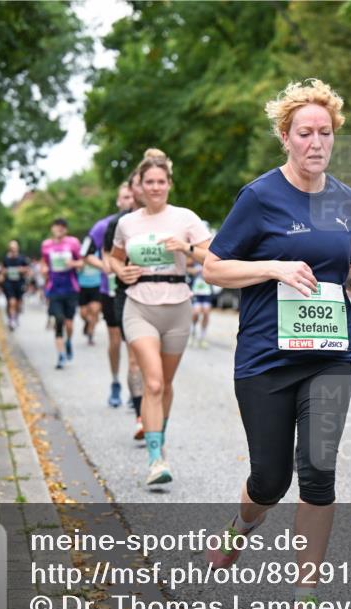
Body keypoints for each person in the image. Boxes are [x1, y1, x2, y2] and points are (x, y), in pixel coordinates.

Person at [203, 79, 351, 609]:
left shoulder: (348, 201)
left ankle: (306, 598)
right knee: (270, 479)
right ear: (286, 137)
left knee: (318, 471)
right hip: (265, 358)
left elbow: (346, 268)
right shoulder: (258, 198)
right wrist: (274, 267)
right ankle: (240, 526)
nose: (316, 142)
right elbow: (213, 268)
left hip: (329, 354)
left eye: (325, 133)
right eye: (305, 132)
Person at [109, 149, 212, 485]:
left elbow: (214, 256)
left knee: (165, 384)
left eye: (160, 181)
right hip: (139, 305)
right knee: (152, 382)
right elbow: (114, 258)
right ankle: (155, 460)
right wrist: (121, 273)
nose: (154, 187)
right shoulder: (127, 223)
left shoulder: (185, 218)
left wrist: (185, 249)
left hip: (178, 305)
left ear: (169, 183)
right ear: (139, 186)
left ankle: (159, 441)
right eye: (148, 182)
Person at [104, 170, 147, 437]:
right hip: (127, 293)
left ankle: (152, 407)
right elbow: (110, 259)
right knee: (134, 357)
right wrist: (120, 271)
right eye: (132, 190)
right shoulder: (118, 224)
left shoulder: (164, 219)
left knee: (155, 362)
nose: (135, 194)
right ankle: (141, 415)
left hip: (161, 295)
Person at [86, 181, 135, 407]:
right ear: (118, 201)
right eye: (124, 197)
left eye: (131, 197)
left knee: (135, 344)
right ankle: (115, 381)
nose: (128, 201)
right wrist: (105, 264)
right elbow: (85, 253)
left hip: (137, 291)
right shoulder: (103, 226)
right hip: (111, 290)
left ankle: (136, 393)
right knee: (116, 340)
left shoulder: (144, 223)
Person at [40, 218, 83, 369]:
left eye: (62, 227)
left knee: (69, 324)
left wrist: (73, 264)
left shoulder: (73, 243)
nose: (59, 229)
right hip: (54, 289)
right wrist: (44, 269)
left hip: (71, 288)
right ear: (52, 228)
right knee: (59, 320)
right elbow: (44, 262)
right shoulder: (46, 245)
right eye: (56, 227)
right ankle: (61, 356)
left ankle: (68, 342)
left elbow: (82, 262)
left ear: (66, 230)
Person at [77, 227, 105, 345]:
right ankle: (88, 322)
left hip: (97, 285)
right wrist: (81, 264)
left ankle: (90, 334)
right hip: (83, 286)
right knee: (83, 314)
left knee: (94, 310)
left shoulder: (100, 252)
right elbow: (77, 269)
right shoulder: (80, 254)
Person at [0, 240, 31, 330]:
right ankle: (11, 320)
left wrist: (21, 270)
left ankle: (15, 317)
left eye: (14, 247)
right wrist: (3, 273)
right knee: (11, 302)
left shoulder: (22, 258)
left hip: (19, 283)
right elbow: (2, 269)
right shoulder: (5, 258)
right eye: (11, 247)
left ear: (17, 248)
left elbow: (28, 269)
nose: (13, 249)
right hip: (9, 283)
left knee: (18, 303)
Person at [188, 256, 214, 348]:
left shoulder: (211, 258)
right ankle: (192, 331)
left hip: (207, 291)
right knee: (196, 312)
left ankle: (202, 337)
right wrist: (194, 271)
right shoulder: (195, 258)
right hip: (196, 291)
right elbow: (186, 267)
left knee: (206, 312)